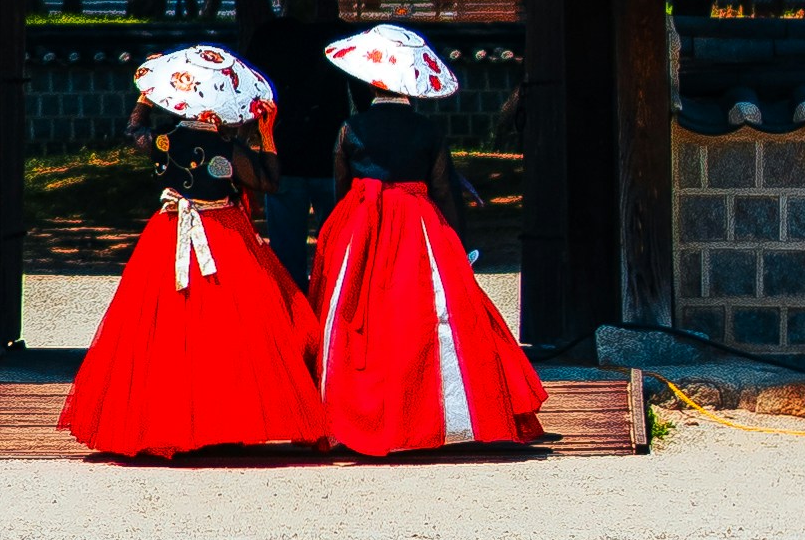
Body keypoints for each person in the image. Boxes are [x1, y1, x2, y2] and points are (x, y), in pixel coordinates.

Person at [58, 44, 328, 461]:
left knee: (163, 325)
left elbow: (134, 134)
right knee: (233, 327)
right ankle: (227, 418)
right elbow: (270, 182)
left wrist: (144, 101)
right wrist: (267, 133)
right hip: (223, 232)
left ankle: (163, 418)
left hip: (169, 231)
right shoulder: (228, 151)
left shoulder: (165, 140)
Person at [314, 23, 547, 457]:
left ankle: (350, 415)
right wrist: (458, 239)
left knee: (356, 314)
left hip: (361, 220)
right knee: (426, 312)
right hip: (418, 221)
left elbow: (339, 184)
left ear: (369, 80)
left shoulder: (350, 128)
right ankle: (441, 413)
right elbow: (443, 188)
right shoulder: (427, 130)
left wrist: (338, 231)